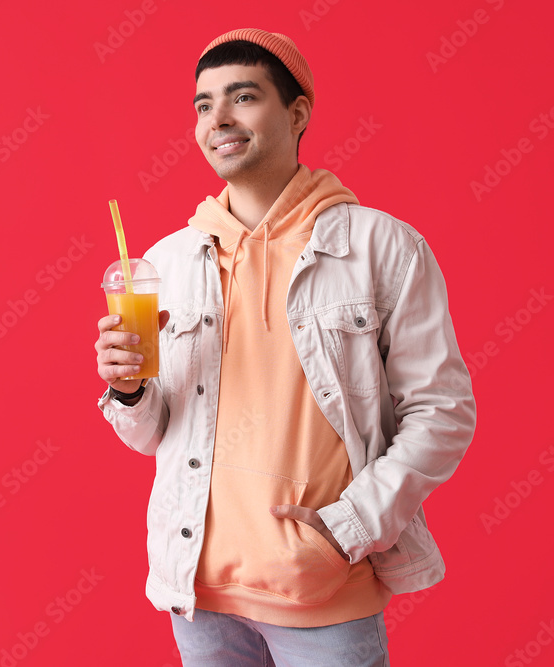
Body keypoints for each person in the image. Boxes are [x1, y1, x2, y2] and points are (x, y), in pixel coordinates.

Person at [96, 28, 476, 666]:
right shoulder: (168, 262)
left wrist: (350, 526)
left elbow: (443, 410)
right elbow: (151, 432)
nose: (218, 119)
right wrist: (128, 388)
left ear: (297, 113)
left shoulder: (381, 249)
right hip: (199, 593)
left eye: (242, 97)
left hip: (322, 593)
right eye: (202, 104)